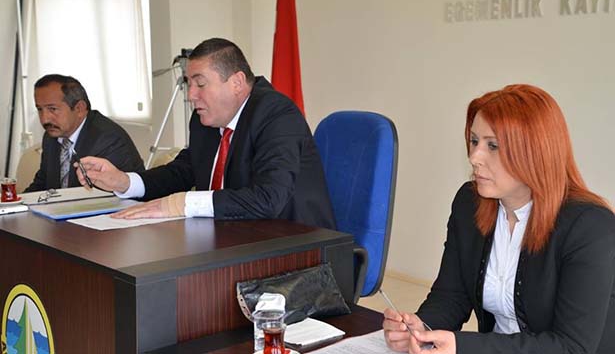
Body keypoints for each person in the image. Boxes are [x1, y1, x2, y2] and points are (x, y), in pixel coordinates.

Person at [383, 84, 615, 354]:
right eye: (474, 141)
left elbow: (571, 347)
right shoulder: (469, 203)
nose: (474, 157)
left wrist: (463, 347)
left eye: (492, 146)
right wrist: (421, 328)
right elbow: (451, 296)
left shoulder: (590, 227)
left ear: (535, 152)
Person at [77, 37, 335, 229]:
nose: (191, 95)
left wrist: (181, 204)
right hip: (232, 239)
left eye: (200, 84)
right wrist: (124, 181)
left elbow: (268, 198)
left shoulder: (276, 114)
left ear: (236, 82)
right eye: (189, 84)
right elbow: (184, 171)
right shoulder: (206, 120)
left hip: (295, 249)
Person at [24, 74, 144, 192]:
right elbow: (42, 183)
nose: (45, 119)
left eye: (53, 109)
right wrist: (18, 202)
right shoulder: (52, 136)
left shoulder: (108, 140)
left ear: (79, 109)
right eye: (40, 109)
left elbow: (103, 197)